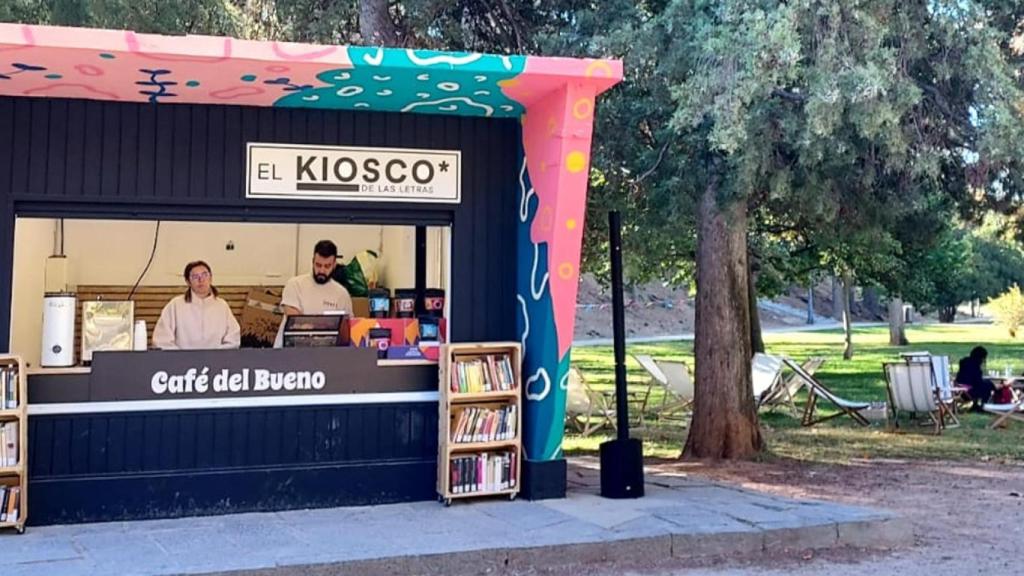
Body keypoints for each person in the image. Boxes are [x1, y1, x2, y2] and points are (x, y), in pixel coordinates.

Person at [275, 240, 353, 347]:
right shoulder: (295, 284)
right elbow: (294, 320)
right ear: (312, 261)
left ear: (334, 265)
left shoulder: (342, 294)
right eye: (318, 265)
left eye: (327, 266)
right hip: (291, 352)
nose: (321, 270)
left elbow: (347, 329)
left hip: (325, 355)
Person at [153, 260, 240, 350]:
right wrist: (181, 357)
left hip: (215, 360)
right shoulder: (175, 305)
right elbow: (162, 340)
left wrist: (215, 355)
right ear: (188, 281)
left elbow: (233, 339)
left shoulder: (222, 306)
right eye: (195, 277)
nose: (201, 280)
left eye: (204, 275)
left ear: (210, 278)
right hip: (182, 361)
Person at [954, 346, 1013, 412]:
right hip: (968, 392)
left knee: (988, 384)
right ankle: (984, 405)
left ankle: (980, 404)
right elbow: (978, 382)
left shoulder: (965, 364)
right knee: (987, 386)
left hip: (959, 390)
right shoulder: (975, 367)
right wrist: (992, 385)